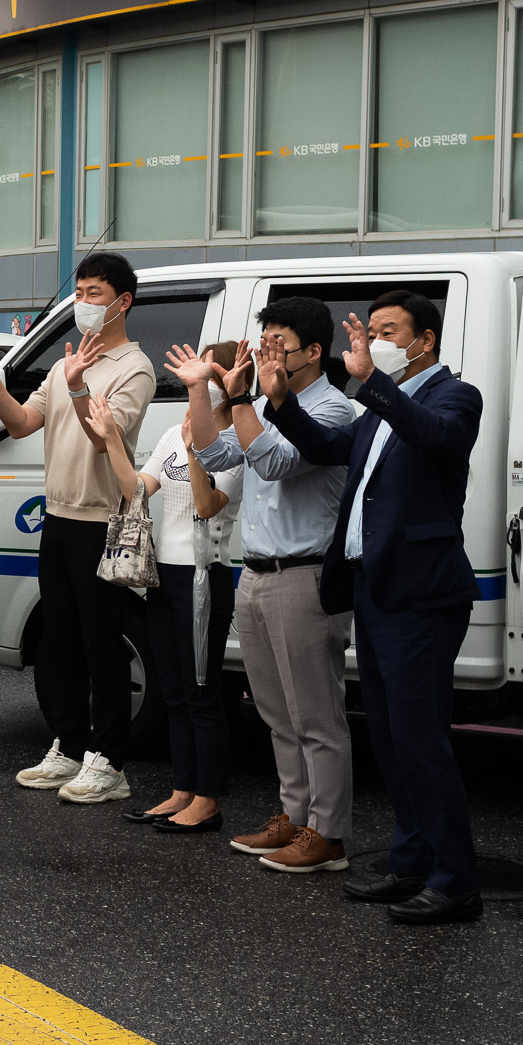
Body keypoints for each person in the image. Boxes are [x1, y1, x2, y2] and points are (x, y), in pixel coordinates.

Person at [259, 291, 485, 926]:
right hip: (372, 589)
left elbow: (435, 435)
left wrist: (373, 382)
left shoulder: (451, 398)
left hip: (422, 595)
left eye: (388, 331)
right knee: (388, 735)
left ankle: (455, 880)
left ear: (426, 342)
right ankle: (410, 862)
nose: (373, 341)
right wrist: (278, 398)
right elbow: (326, 446)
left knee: (421, 738)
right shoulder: (379, 408)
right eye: (370, 331)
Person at [0, 253, 155, 802]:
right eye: (80, 292)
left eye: (95, 293)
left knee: (104, 644)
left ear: (122, 301)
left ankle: (109, 761)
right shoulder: (64, 361)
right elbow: (23, 421)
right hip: (59, 518)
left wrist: (77, 388)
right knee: (60, 644)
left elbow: (106, 439)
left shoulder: (134, 367)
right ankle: (69, 746)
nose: (83, 303)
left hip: (101, 521)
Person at [187, 301, 358, 876]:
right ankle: (293, 815)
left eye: (278, 343)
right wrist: (203, 391)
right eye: (263, 341)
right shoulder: (258, 401)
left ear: (313, 352)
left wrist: (241, 400)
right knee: (277, 714)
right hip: (256, 573)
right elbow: (213, 455)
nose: (265, 353)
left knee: (316, 715)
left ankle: (327, 834)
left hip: (305, 574)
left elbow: (277, 462)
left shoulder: (335, 408)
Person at [89, 385, 241, 832]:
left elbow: (206, 505)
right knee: (173, 692)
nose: (195, 388)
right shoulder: (175, 433)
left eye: (204, 378)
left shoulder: (234, 442)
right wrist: (113, 440)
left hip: (204, 577)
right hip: (164, 576)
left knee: (201, 693)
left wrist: (196, 452)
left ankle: (208, 800)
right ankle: (182, 790)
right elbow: (136, 491)